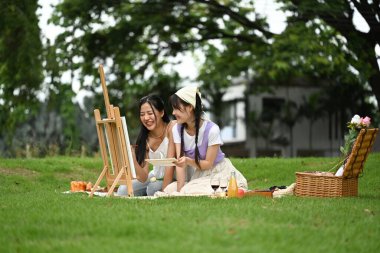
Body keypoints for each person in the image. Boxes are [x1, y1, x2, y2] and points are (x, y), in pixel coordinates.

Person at [165, 86, 247, 194]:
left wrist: (188, 161)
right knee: (170, 190)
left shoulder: (212, 130)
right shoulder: (177, 129)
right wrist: (179, 191)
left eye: (176, 108)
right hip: (200, 174)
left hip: (218, 172)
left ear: (190, 107)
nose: (173, 113)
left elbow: (208, 164)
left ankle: (227, 188)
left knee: (189, 190)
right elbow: (180, 165)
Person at [117, 94, 175, 196]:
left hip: (175, 177)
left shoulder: (172, 128)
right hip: (156, 176)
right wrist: (133, 159)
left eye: (150, 113)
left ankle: (151, 192)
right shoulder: (145, 139)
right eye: (142, 114)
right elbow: (143, 177)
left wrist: (164, 193)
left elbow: (170, 166)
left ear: (161, 113)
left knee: (153, 188)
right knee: (123, 190)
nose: (146, 118)